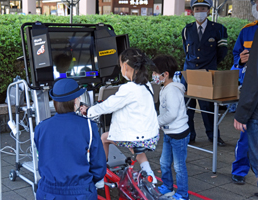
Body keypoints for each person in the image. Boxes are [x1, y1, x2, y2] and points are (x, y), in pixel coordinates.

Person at [80, 48, 159, 183]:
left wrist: (89, 111)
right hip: (150, 135)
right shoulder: (146, 85)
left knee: (105, 138)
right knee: (135, 146)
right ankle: (148, 172)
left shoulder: (129, 88)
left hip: (137, 135)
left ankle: (100, 175)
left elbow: (108, 105)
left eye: (120, 65)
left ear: (126, 66)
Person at [34, 78, 106, 200]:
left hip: (48, 191)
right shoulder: (88, 126)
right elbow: (98, 164)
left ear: (55, 102)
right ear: (75, 101)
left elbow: (41, 158)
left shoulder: (41, 127)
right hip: (81, 191)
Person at [182, 0, 228, 146]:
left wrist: (211, 65)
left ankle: (213, 136)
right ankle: (190, 135)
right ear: (193, 11)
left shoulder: (218, 29)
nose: (199, 11)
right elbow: (187, 51)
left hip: (207, 73)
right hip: (189, 72)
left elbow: (222, 52)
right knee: (187, 106)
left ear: (208, 11)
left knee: (207, 107)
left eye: (203, 8)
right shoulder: (186, 29)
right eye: (197, 9)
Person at [151, 55, 190, 200]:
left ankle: (182, 194)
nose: (153, 76)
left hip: (178, 134)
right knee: (164, 162)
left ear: (165, 74)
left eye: (155, 73)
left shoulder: (171, 90)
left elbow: (172, 114)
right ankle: (167, 186)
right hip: (169, 132)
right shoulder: (165, 88)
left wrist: (157, 121)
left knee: (179, 166)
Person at [231, 0, 258, 185]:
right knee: (245, 136)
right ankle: (240, 170)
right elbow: (235, 58)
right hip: (250, 91)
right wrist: (241, 61)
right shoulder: (247, 31)